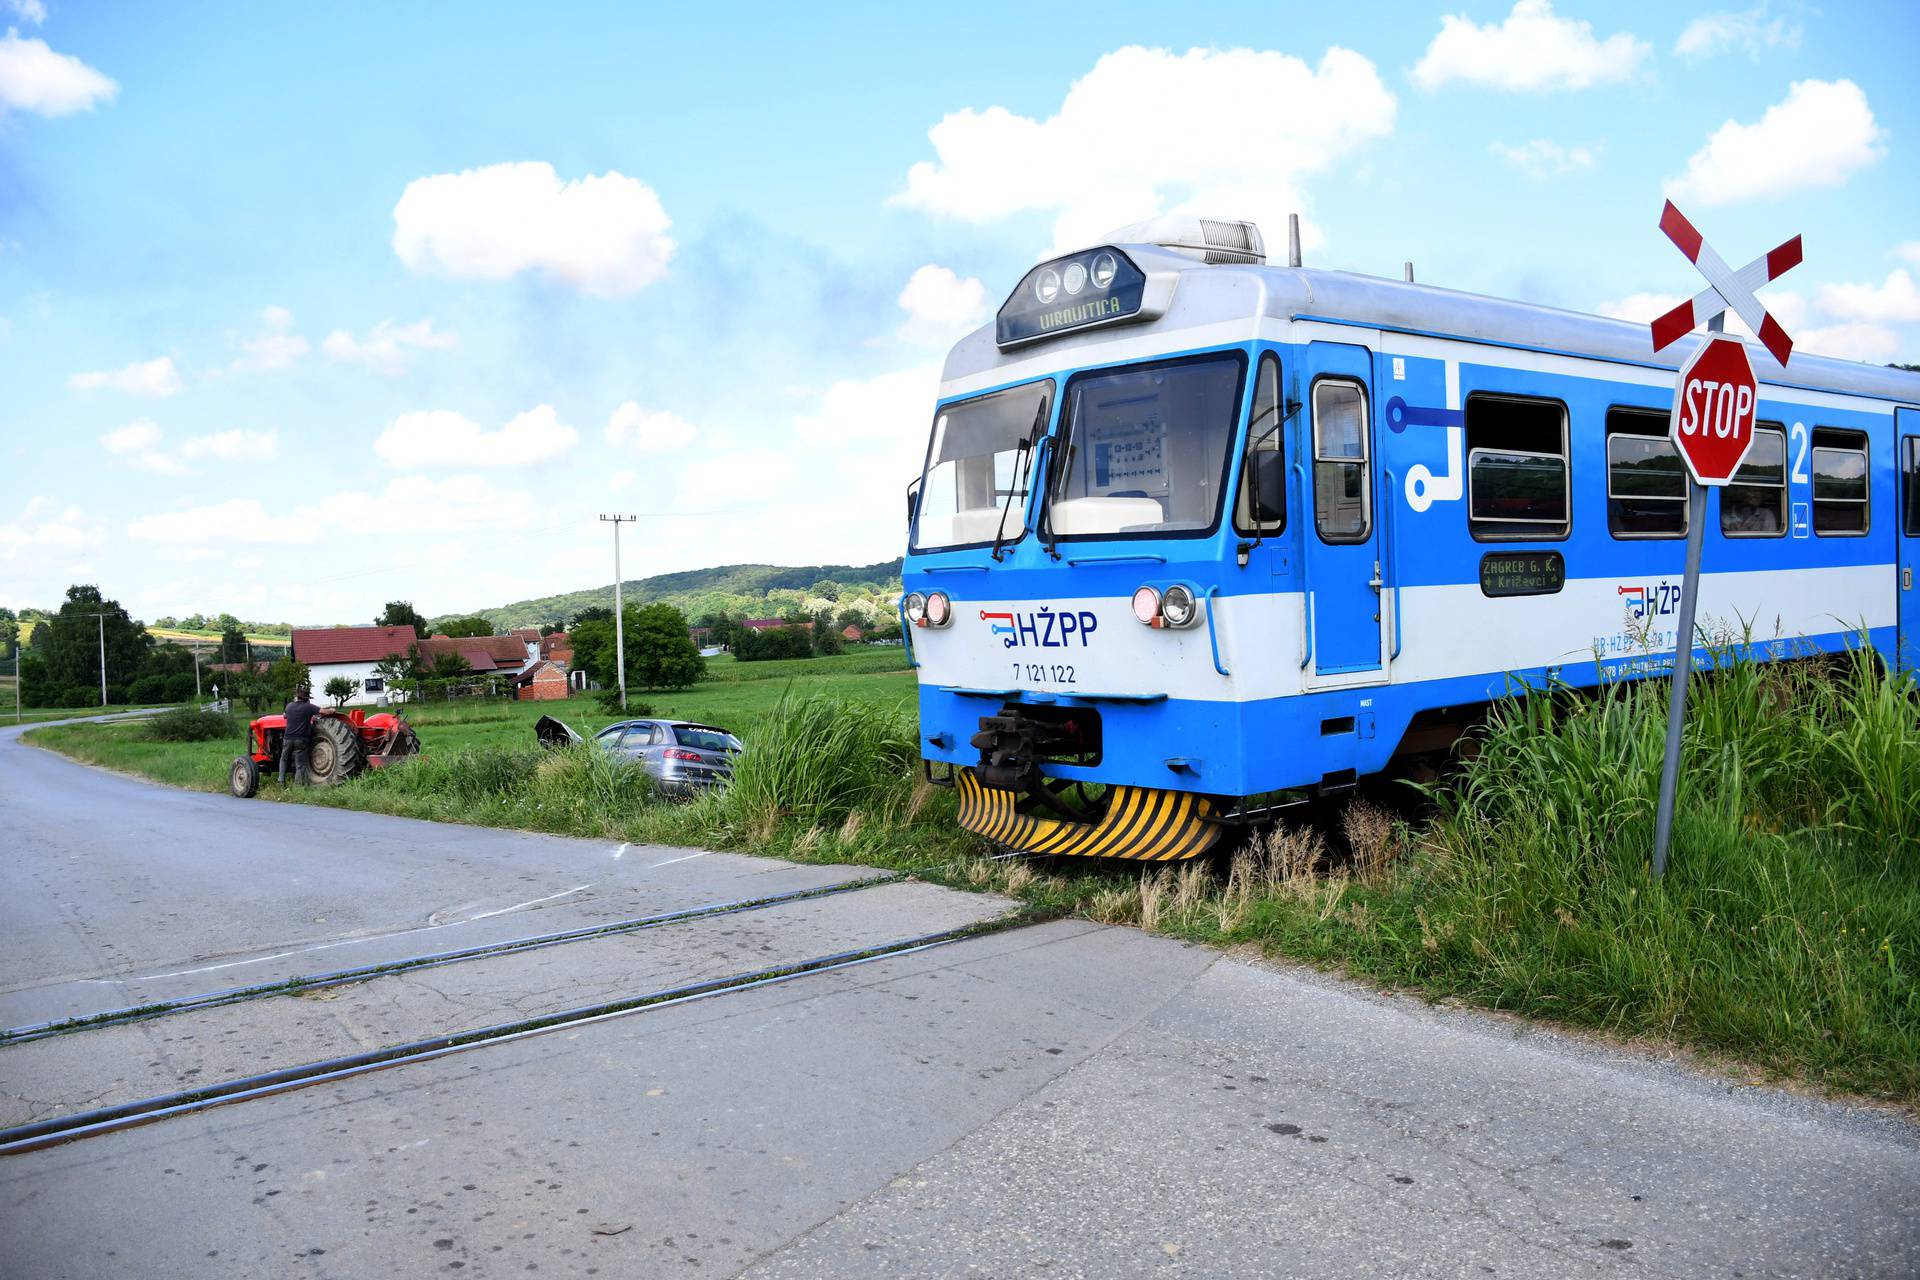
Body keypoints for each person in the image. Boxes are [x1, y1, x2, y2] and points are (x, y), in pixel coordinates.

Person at [280, 684, 320, 785]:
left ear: (297, 697)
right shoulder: (309, 707)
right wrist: (332, 710)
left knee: (284, 758)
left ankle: (281, 780)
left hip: (288, 738)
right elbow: (323, 712)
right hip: (300, 740)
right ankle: (298, 785)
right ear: (307, 699)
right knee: (300, 763)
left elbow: (284, 716)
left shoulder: (289, 706)